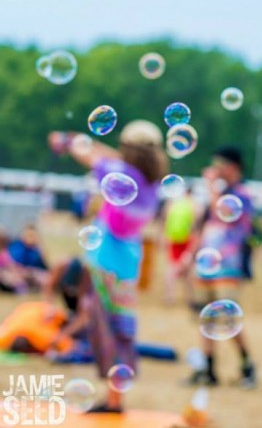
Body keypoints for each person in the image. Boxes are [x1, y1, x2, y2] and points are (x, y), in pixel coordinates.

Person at [48, 120, 168, 413]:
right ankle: (115, 397)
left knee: (104, 330)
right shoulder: (150, 182)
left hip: (105, 264)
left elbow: (92, 156)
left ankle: (114, 399)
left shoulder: (121, 174)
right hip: (128, 265)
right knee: (121, 329)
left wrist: (66, 140)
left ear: (127, 150)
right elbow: (107, 156)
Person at [187, 146, 257, 388]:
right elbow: (203, 227)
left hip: (227, 266)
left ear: (233, 167)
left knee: (227, 318)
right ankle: (208, 368)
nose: (215, 169)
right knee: (205, 317)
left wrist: (209, 187)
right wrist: (190, 255)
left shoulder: (242, 195)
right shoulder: (218, 194)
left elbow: (225, 213)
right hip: (207, 264)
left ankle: (247, 366)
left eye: (220, 164)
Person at [161, 186, 199, 305]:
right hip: (187, 240)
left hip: (173, 239)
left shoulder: (173, 204)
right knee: (188, 270)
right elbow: (195, 227)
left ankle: (169, 296)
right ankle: (189, 297)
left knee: (171, 269)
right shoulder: (194, 206)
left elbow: (165, 221)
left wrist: (164, 237)